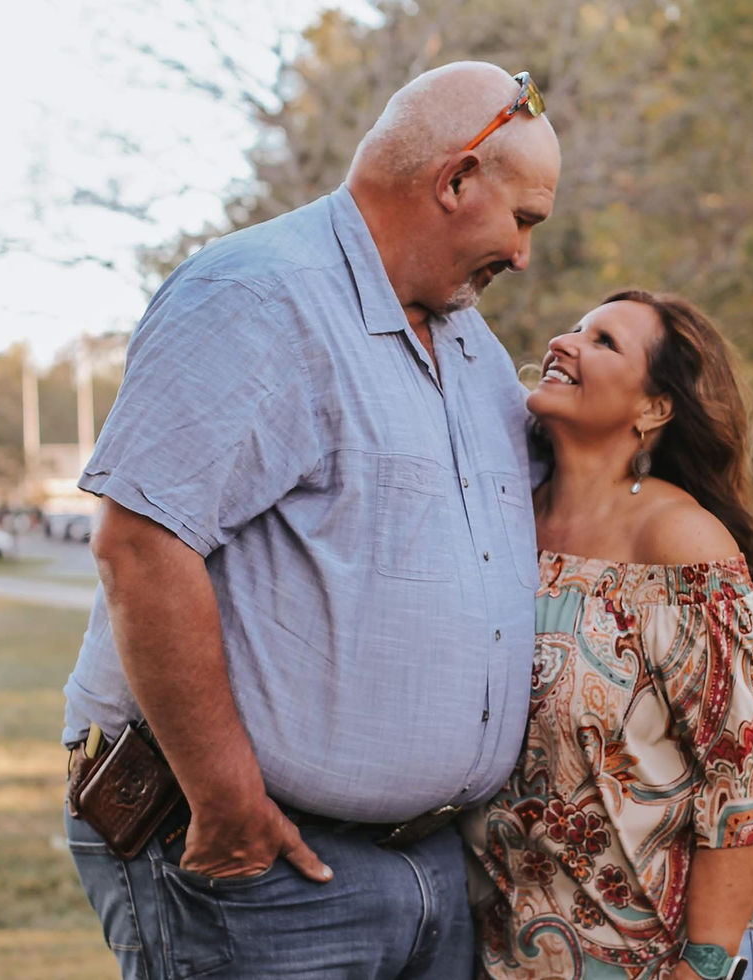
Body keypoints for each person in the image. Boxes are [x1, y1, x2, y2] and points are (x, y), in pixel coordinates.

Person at [61, 62, 561, 979]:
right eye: (522, 219)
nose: (524, 254)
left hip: (433, 869)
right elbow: (139, 545)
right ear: (454, 182)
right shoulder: (256, 298)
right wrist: (226, 801)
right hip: (262, 867)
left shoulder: (472, 346)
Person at [462, 289, 753, 980]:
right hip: (523, 942)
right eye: (572, 328)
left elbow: (748, 770)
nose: (563, 343)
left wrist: (706, 963)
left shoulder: (680, 541)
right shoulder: (505, 525)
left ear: (654, 409)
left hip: (664, 946)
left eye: (603, 341)